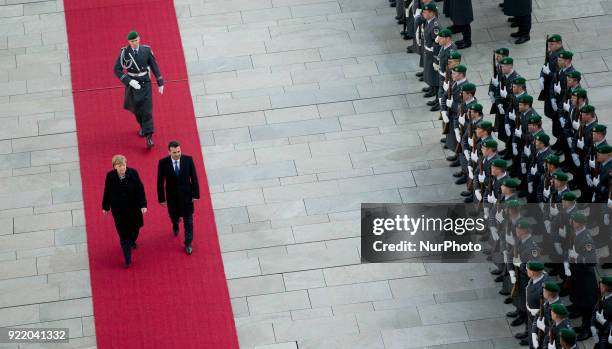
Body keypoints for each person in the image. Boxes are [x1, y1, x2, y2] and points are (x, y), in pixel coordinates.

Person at [114, 31, 164, 148]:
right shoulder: (124, 53)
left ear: (139, 39)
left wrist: (160, 81)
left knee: (147, 110)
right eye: (132, 41)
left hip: (145, 83)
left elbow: (154, 65)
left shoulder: (146, 50)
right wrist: (129, 81)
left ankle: (149, 137)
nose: (134, 43)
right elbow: (117, 69)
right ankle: (142, 126)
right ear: (129, 42)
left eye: (136, 40)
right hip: (132, 84)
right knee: (135, 109)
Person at [102, 155, 147, 268]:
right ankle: (127, 258)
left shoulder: (133, 173)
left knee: (135, 229)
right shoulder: (110, 176)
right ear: (114, 167)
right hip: (119, 211)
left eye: (123, 165)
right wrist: (105, 206)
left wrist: (143, 205)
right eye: (119, 166)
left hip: (134, 208)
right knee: (123, 235)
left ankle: (132, 240)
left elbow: (140, 189)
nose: (122, 167)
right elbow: (107, 191)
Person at [157, 141, 200, 255]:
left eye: (179, 151)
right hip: (172, 197)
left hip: (186, 196)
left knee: (189, 221)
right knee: (174, 217)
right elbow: (160, 182)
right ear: (169, 152)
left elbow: (194, 177)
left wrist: (196, 194)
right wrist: (161, 198)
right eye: (174, 152)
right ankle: (175, 224)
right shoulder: (163, 163)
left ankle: (188, 243)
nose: (177, 154)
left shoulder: (188, 160)